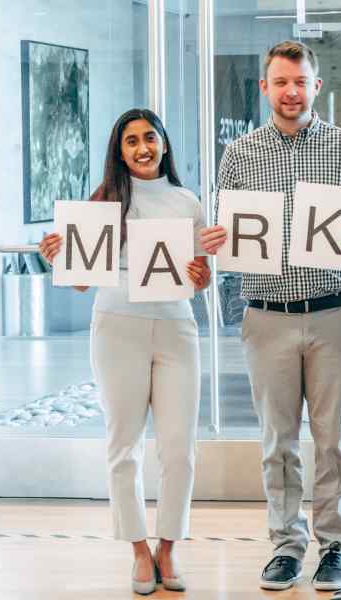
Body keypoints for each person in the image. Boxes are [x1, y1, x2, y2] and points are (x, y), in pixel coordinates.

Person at [199, 40, 341, 592]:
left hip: (332, 313)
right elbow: (225, 233)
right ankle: (285, 544)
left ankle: (335, 545)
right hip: (267, 316)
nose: (291, 91)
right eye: (280, 82)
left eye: (300, 81)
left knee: (334, 440)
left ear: (315, 86)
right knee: (277, 442)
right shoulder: (238, 155)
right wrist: (214, 240)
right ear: (265, 88)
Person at [38, 108, 211, 595]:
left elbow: (201, 276)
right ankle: (138, 549)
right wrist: (52, 256)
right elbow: (76, 284)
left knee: (179, 448)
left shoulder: (187, 201)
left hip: (177, 328)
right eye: (131, 141)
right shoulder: (103, 203)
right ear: (119, 151)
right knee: (124, 445)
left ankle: (168, 548)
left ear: (163, 142)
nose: (142, 148)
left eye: (149, 137)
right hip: (116, 327)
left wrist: (203, 277)